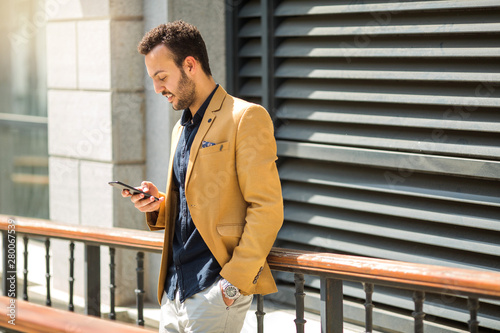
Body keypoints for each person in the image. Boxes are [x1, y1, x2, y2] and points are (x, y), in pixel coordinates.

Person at [122, 20, 284, 333]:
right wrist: (159, 206)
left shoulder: (245, 117)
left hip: (213, 289)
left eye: (162, 77)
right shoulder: (180, 128)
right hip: (174, 289)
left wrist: (231, 286)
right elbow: (193, 207)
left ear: (190, 65)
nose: (157, 88)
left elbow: (267, 208)